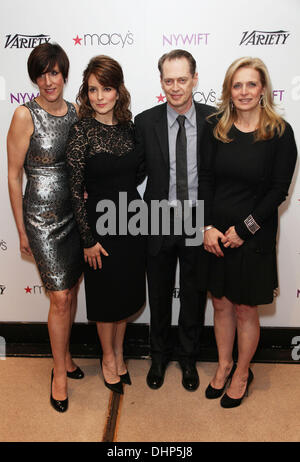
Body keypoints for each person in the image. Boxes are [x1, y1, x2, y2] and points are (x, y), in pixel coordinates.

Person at [200, 56, 297, 408]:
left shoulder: (280, 134)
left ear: (263, 89)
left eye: (250, 84)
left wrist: (244, 229)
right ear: (229, 89)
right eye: (237, 85)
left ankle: (242, 371)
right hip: (215, 237)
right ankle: (224, 365)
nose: (243, 91)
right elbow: (206, 182)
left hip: (253, 238)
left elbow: (278, 191)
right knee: (221, 304)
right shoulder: (216, 128)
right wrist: (207, 227)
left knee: (245, 309)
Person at [7, 43, 83, 413]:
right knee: (60, 297)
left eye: (54, 72)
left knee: (71, 289)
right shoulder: (25, 114)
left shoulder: (77, 112)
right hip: (41, 218)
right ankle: (59, 373)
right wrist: (21, 230)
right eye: (41, 74)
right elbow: (13, 175)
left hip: (74, 213)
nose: (48, 80)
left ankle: (66, 356)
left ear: (64, 74)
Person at [134, 49, 214, 391]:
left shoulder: (215, 120)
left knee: (194, 294)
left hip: (199, 220)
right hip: (159, 219)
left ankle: (188, 358)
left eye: (183, 79)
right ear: (161, 81)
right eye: (169, 80)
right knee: (160, 293)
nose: (176, 87)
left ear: (195, 79)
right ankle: (159, 356)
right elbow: (132, 170)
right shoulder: (145, 121)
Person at [66, 55, 146, 395]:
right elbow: (74, 189)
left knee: (125, 298)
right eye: (93, 89)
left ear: (118, 91)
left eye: (107, 88)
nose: (99, 96)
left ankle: (120, 353)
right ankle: (108, 358)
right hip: (98, 227)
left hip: (132, 223)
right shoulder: (81, 132)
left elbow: (138, 173)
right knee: (105, 300)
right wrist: (87, 238)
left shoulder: (131, 129)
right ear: (86, 92)